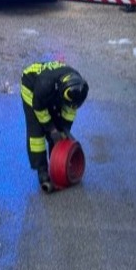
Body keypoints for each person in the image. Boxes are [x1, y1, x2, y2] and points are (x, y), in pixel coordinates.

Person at [19, 60, 89, 193]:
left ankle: (56, 162)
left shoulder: (78, 87)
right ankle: (42, 170)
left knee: (58, 128)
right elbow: (39, 108)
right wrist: (51, 129)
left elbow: (69, 110)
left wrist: (64, 131)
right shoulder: (44, 85)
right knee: (37, 133)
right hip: (32, 88)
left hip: (52, 91)